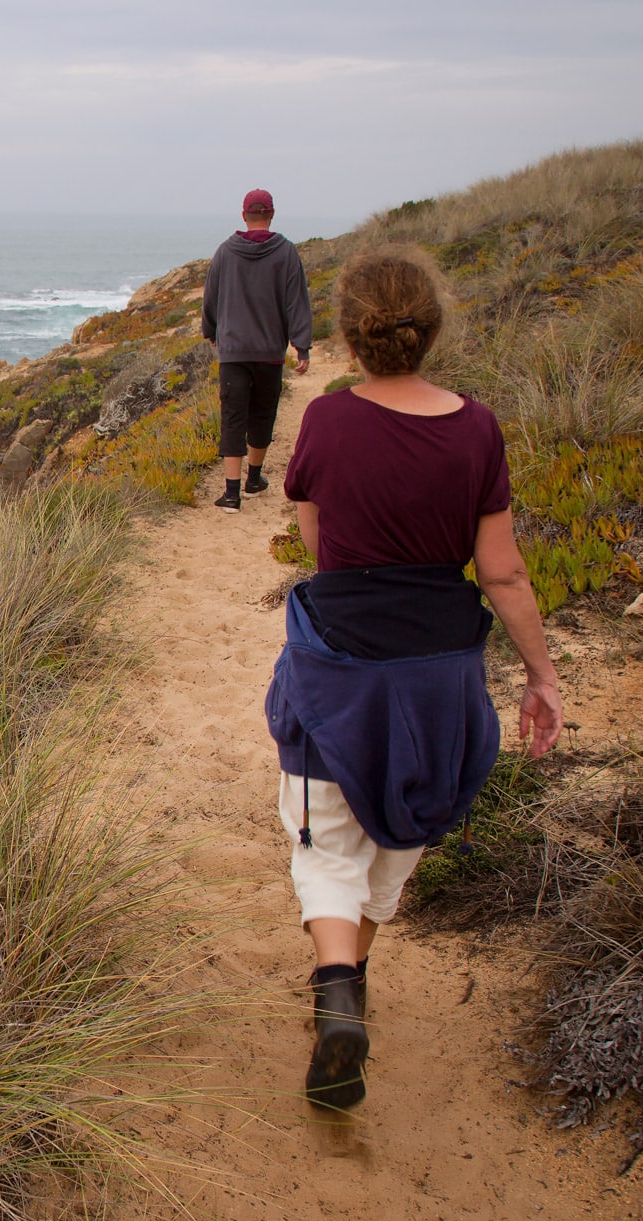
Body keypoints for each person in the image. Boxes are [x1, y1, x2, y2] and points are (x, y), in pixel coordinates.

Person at [264, 245, 563, 1110]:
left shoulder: (327, 421)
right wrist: (541, 676)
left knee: (324, 841)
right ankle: (352, 982)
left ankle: (336, 997)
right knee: (394, 839)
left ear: (352, 336)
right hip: (439, 672)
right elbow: (502, 574)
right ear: (430, 330)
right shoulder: (477, 428)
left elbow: (317, 544)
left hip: (342, 658)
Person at [201, 188, 314, 512]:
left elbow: (211, 298)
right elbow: (297, 301)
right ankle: (254, 478)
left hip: (234, 350)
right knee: (263, 414)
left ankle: (232, 493)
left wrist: (211, 331)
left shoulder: (225, 252)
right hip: (269, 352)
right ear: (272, 215)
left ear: (243, 215)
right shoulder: (287, 253)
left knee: (233, 418)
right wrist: (301, 346)